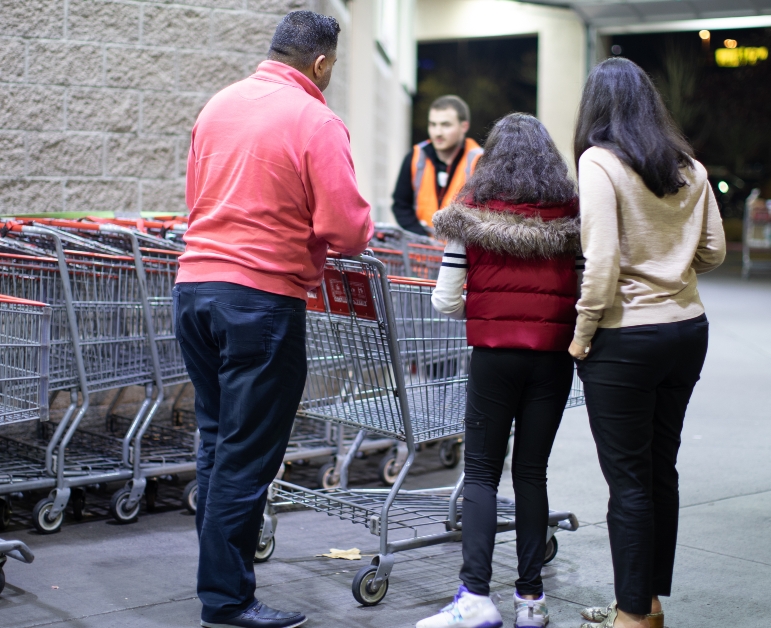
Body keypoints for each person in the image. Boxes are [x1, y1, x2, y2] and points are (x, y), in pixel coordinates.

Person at [174, 11, 373, 628]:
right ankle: (227, 601)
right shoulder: (315, 119)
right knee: (246, 456)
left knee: (217, 441)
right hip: (259, 301)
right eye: (333, 67)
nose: (332, 76)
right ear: (320, 63)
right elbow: (347, 229)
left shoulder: (218, 106)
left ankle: (217, 584)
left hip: (195, 290)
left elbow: (196, 197)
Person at [568, 58, 725, 628]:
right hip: (688, 331)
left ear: (596, 107)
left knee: (628, 481)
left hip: (626, 338)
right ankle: (647, 601)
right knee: (661, 469)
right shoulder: (689, 167)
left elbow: (602, 262)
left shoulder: (599, 162)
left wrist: (581, 337)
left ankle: (632, 616)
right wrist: (670, 263)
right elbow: (713, 253)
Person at [420, 113, 583, 628]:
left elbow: (446, 302)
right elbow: (582, 288)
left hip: (493, 357)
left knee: (484, 473)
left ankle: (474, 598)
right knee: (533, 473)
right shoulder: (570, 214)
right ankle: (531, 602)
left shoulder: (471, 211)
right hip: (553, 358)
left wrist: (482, 297)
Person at [391, 95, 484, 235]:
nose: (437, 132)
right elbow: (400, 205)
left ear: (464, 126)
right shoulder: (415, 157)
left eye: (445, 125)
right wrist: (421, 238)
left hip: (460, 252)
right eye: (433, 125)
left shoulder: (481, 162)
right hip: (421, 251)